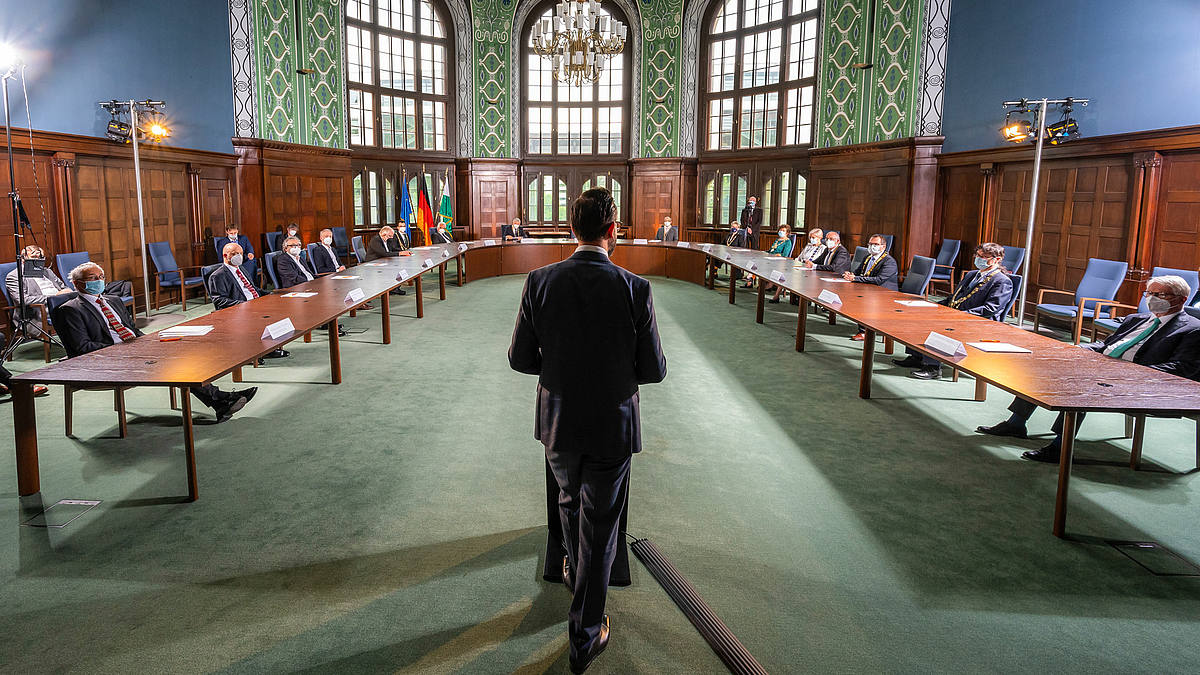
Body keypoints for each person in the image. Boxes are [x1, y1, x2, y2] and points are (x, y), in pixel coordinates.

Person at [508, 187, 667, 674]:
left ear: (571, 229)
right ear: (613, 229)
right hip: (611, 424)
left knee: (570, 501)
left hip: (557, 420)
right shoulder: (634, 287)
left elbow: (519, 359)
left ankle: (569, 568)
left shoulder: (539, 280)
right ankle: (585, 634)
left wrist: (559, 369)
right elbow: (654, 369)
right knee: (599, 525)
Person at [976, 275, 1200, 463]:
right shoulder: (1137, 318)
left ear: (1182, 299)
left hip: (1140, 383)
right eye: (1149, 294)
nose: (1152, 299)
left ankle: (1060, 446)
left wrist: (1130, 374)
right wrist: (1080, 350)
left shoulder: (1192, 328)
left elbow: (1182, 367)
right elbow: (1106, 345)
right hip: (1103, 367)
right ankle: (1016, 423)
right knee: (1047, 368)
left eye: (1160, 295)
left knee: (1077, 385)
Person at [56, 262, 255, 422]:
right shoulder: (71, 310)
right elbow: (82, 348)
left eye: (101, 277)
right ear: (78, 283)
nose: (99, 281)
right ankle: (222, 399)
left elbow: (132, 329)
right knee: (173, 363)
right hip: (108, 358)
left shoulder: (113, 300)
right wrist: (124, 348)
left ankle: (222, 400)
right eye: (93, 278)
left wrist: (147, 341)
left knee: (181, 350)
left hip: (134, 347)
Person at [893, 243, 1014, 379]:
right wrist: (934, 307)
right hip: (957, 314)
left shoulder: (1002, 281)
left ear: (997, 259)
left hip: (979, 321)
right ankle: (917, 357)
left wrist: (959, 315)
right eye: (978, 255)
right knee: (922, 317)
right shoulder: (972, 274)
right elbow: (954, 297)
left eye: (984, 257)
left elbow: (991, 309)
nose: (979, 259)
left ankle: (933, 368)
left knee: (939, 326)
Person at [208, 242, 288, 359]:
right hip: (239, 309)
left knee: (278, 307)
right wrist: (246, 305)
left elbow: (254, 289)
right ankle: (256, 352)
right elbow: (219, 300)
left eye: (240, 253)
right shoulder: (218, 276)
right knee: (262, 315)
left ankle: (270, 347)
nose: (239, 256)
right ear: (225, 256)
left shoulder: (242, 269)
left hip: (255, 303)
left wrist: (272, 295)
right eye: (235, 254)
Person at [5, 245, 75, 331]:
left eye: (40, 257)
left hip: (60, 302)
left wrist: (68, 292)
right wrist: (53, 297)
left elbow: (62, 287)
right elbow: (22, 300)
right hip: (38, 309)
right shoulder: (15, 276)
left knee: (85, 306)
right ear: (23, 259)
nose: (37, 260)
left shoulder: (47, 271)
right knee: (75, 312)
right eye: (33, 257)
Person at [844, 234, 898, 341]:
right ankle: (864, 327)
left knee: (863, 301)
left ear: (883, 246)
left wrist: (855, 278)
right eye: (870, 244)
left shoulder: (889, 261)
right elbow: (858, 272)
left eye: (876, 244)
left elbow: (879, 280)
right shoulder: (867, 257)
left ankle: (864, 332)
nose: (872, 246)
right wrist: (850, 274)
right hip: (869, 288)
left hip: (885, 293)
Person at [764, 225, 795, 303]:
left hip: (781, 261)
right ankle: (768, 284)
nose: (781, 232)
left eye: (783, 231)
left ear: (787, 233)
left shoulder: (788, 242)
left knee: (780, 273)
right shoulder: (777, 240)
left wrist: (777, 255)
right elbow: (771, 250)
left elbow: (785, 254)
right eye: (780, 230)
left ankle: (776, 295)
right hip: (771, 259)